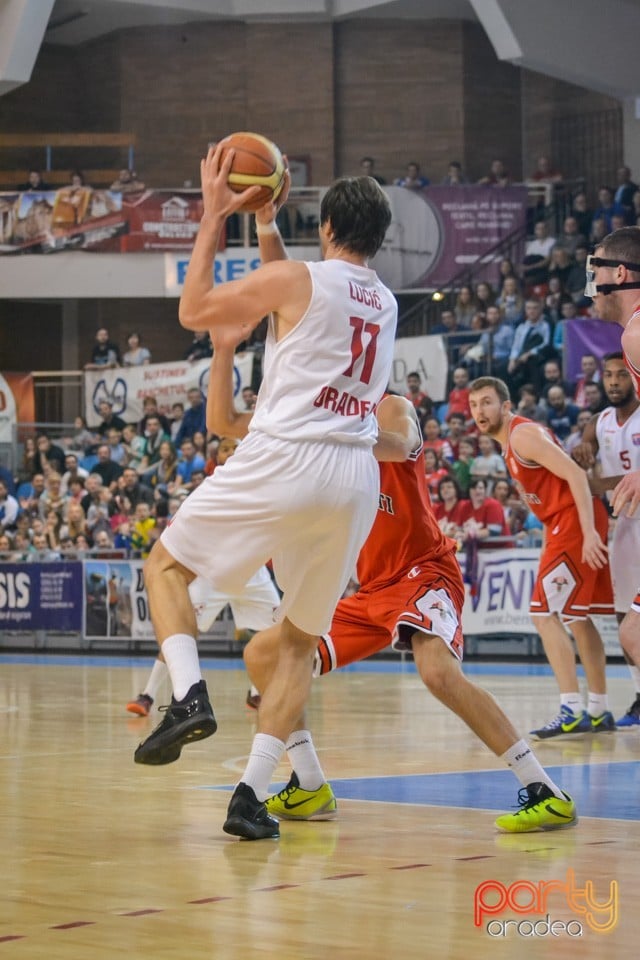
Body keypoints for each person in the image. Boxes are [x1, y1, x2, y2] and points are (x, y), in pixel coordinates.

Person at [133, 145, 397, 844]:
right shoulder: (385, 300)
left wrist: (216, 213)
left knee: (164, 567)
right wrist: (268, 222)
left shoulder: (302, 280)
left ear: (330, 226)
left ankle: (187, 694)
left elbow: (195, 309)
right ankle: (251, 795)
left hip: (289, 458)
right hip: (354, 476)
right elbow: (292, 305)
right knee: (298, 647)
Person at [245, 393, 576, 834]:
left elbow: (399, 446)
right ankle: (309, 783)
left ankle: (544, 791)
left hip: (424, 572)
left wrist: (321, 437)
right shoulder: (321, 432)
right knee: (264, 654)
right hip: (372, 589)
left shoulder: (390, 409)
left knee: (437, 672)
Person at [468, 376, 614, 738]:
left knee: (542, 614)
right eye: (473, 405)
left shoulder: (521, 435)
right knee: (577, 619)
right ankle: (598, 709)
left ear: (505, 406)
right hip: (565, 523)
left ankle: (571, 708)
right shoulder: (510, 443)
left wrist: (590, 532)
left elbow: (576, 476)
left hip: (575, 521)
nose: (479, 411)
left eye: (487, 402)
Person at [571, 352, 640, 726]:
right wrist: (582, 454)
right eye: (608, 376)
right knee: (624, 613)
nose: (614, 382)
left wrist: (597, 483)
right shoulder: (598, 422)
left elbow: (596, 484)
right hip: (626, 526)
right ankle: (639, 695)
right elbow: (582, 456)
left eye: (621, 375)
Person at [585, 225, 640, 695]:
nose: (591, 282)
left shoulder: (638, 333)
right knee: (633, 632)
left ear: (619, 273)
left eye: (596, 268)